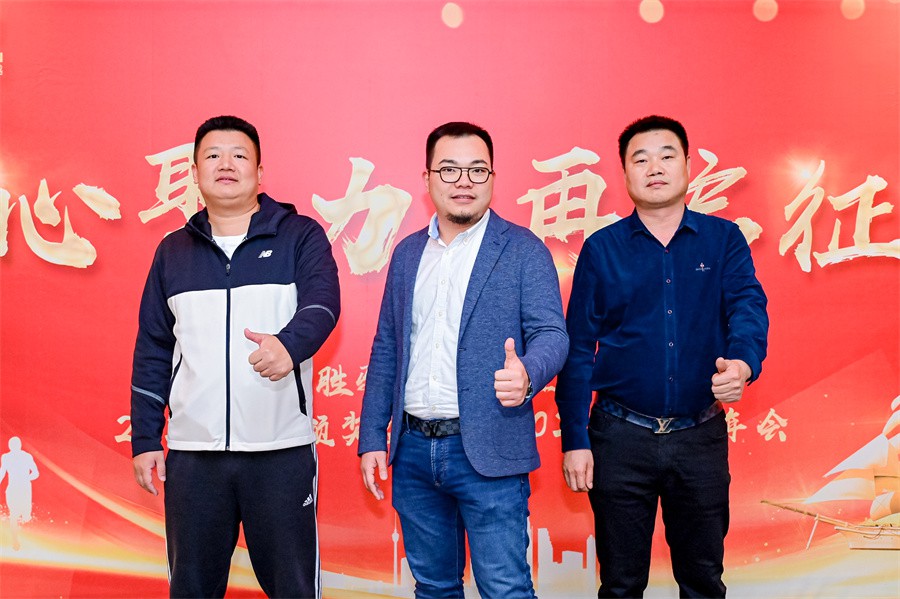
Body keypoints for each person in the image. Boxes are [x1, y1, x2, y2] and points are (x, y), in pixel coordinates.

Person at [555, 115, 768, 598]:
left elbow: (748, 307)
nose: (655, 167)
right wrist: (575, 439)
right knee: (621, 583)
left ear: (688, 165)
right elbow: (578, 348)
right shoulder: (601, 249)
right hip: (619, 438)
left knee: (703, 580)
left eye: (667, 155)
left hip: (699, 436)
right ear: (624, 173)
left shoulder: (724, 240)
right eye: (641, 158)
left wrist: (742, 363)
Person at [130, 115, 340, 598]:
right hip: (194, 456)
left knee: (293, 587)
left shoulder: (299, 236)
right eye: (213, 155)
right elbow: (153, 347)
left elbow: (323, 304)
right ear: (195, 172)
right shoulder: (172, 252)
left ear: (260, 172)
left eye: (239, 155)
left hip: (280, 450)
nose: (226, 164)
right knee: (192, 587)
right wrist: (144, 437)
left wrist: (288, 345)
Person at [358, 121, 568, 598]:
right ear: (427, 178)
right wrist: (372, 436)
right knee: (433, 588)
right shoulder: (408, 254)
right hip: (412, 450)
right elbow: (388, 345)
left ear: (493, 177)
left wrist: (528, 374)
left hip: (489, 449)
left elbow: (552, 334)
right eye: (449, 170)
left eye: (477, 170)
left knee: (505, 589)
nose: (464, 181)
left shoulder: (523, 250)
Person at [0, 436, 40, 551]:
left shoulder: (26, 457)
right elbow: (2, 472)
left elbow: (36, 473)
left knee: (26, 516)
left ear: (19, 446)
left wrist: (26, 478)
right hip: (13, 489)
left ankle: (26, 538)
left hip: (24, 489)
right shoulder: (6, 457)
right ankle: (15, 540)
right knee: (14, 514)